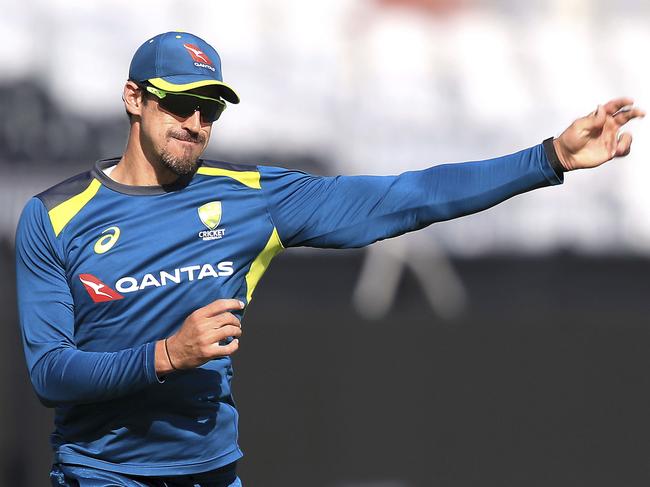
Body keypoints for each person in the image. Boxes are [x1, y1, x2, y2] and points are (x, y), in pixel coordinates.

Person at [15, 31, 644, 487]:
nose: (195, 121)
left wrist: (547, 159)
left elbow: (409, 197)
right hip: (103, 475)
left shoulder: (251, 199)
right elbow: (51, 373)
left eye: (209, 108)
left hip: (209, 473)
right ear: (133, 98)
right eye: (178, 102)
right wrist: (168, 355)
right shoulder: (56, 216)